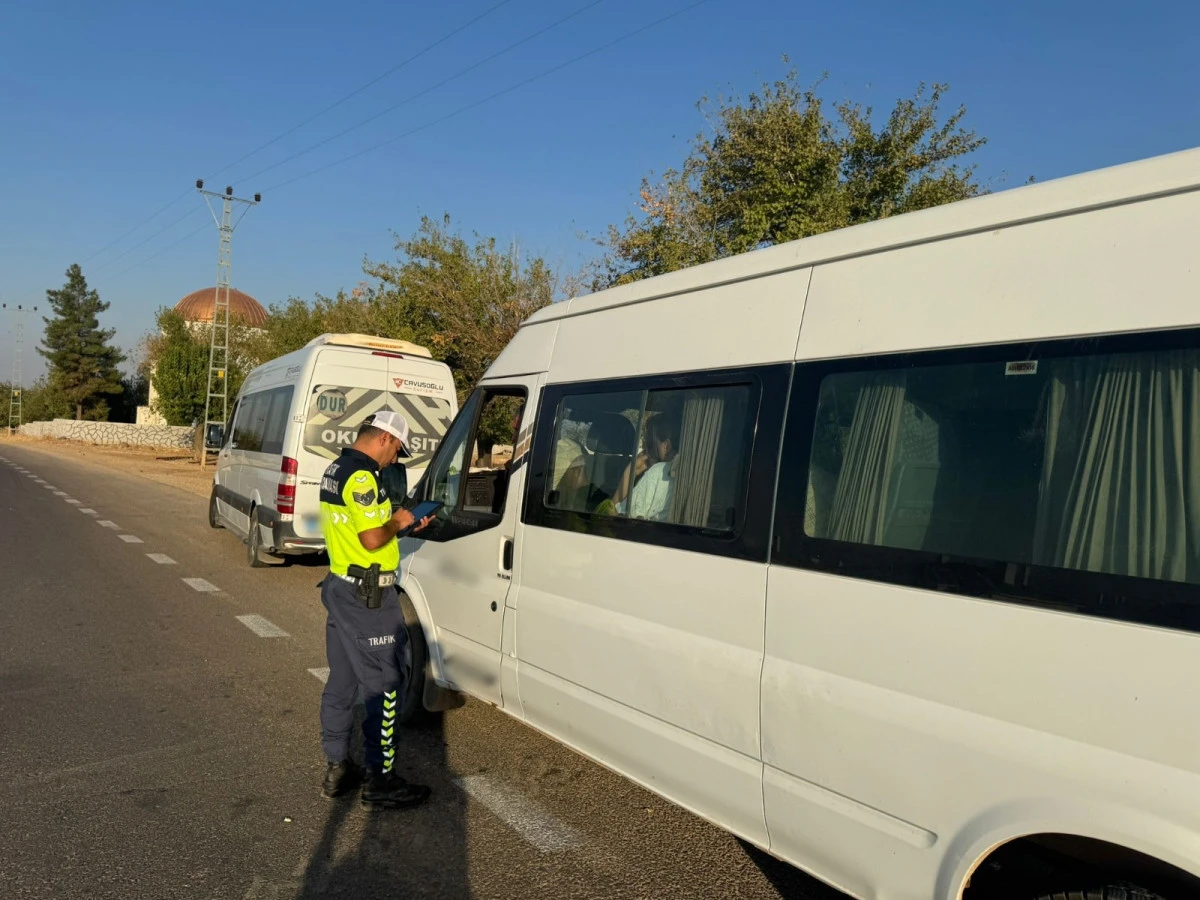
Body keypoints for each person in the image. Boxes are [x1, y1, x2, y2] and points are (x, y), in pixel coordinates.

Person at [318, 409, 433, 809]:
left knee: (343, 681)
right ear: (385, 438)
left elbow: (358, 530)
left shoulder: (336, 469)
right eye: (397, 449)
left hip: (341, 585)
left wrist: (404, 524)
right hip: (368, 596)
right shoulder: (363, 477)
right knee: (386, 683)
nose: (395, 458)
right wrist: (398, 522)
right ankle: (380, 780)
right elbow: (370, 539)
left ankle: (337, 767)